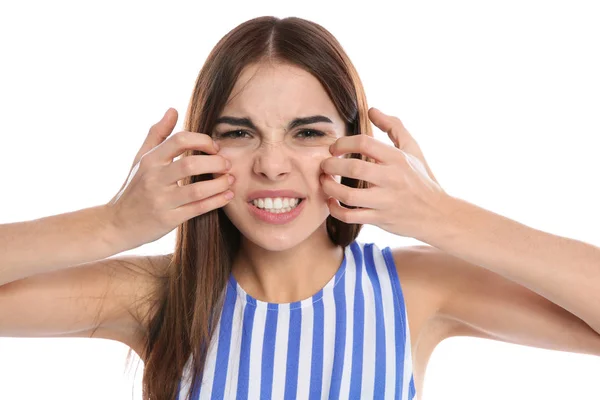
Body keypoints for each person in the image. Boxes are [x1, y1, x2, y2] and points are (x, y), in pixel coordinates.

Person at [1, 15, 600, 400]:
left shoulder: (413, 291)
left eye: (307, 133)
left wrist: (440, 217)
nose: (271, 164)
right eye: (239, 133)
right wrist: (113, 223)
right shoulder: (159, 297)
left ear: (354, 143)